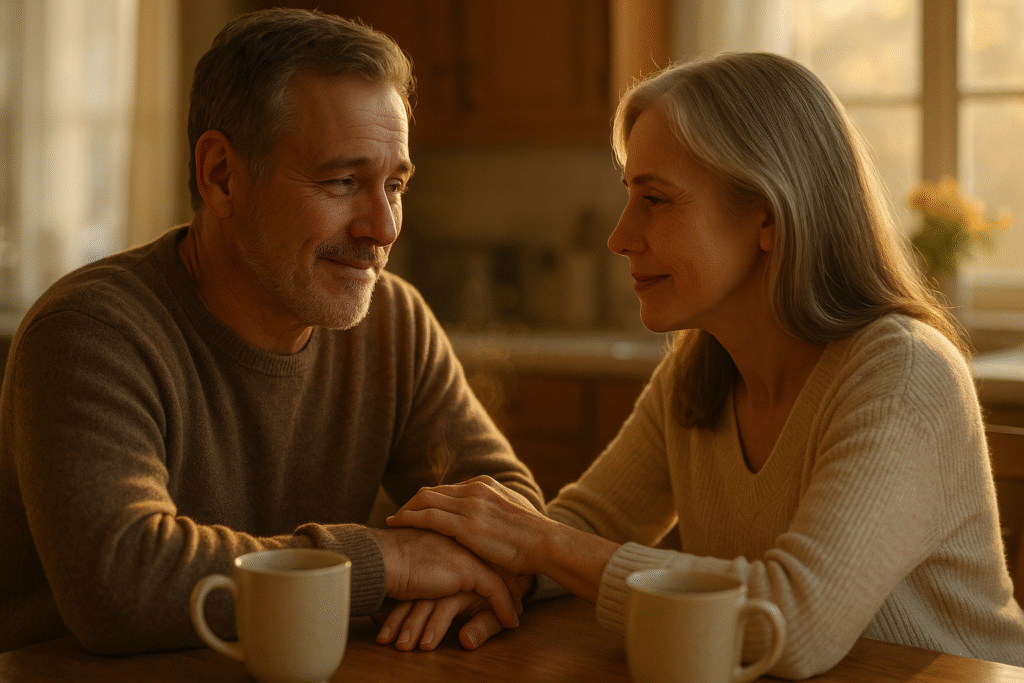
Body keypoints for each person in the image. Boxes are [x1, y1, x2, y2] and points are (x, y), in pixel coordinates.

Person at [384, 52, 1024, 678]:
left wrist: (540, 545)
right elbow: (590, 523)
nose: (620, 236)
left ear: (769, 216)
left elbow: (793, 623)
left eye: (655, 199)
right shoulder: (700, 368)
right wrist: (497, 577)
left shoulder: (904, 372)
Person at [0, 8, 543, 655]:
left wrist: (469, 574)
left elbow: (516, 515)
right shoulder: (90, 333)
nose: (385, 226)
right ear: (221, 176)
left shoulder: (394, 324)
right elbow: (122, 583)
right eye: (344, 181)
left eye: (394, 184)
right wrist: (388, 560)